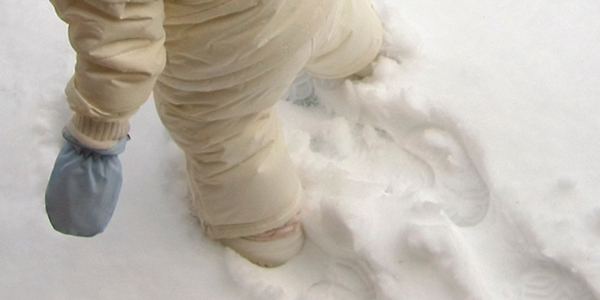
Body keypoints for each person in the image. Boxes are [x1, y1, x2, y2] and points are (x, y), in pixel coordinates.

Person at [45, 0, 383, 267]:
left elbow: (119, 41)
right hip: (316, 8)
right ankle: (366, 55)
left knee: (222, 129)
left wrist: (95, 139)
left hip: (229, 46)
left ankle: (265, 232)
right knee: (337, 26)